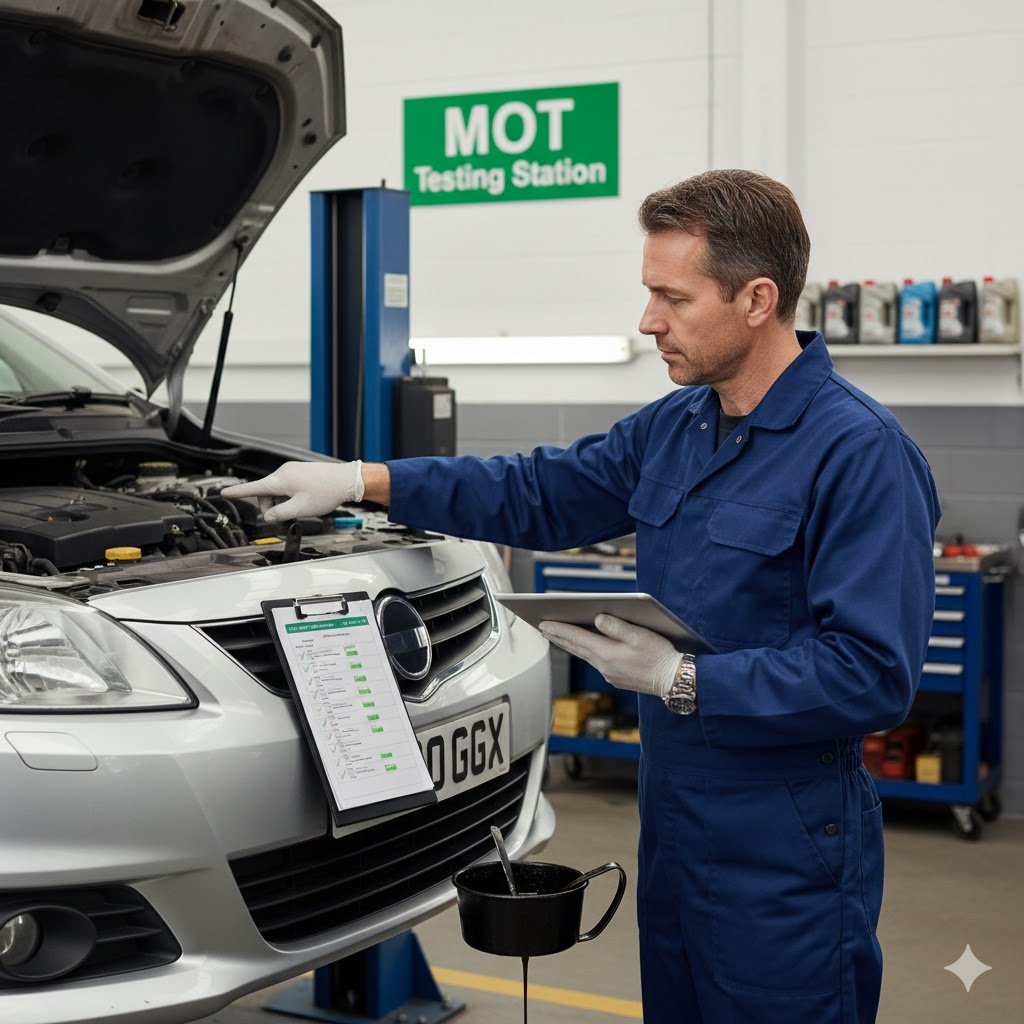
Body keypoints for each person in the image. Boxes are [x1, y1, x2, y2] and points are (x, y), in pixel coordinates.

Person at [223, 169, 940, 1024]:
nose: (648, 321)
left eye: (673, 298)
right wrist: (361, 480)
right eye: (648, 293)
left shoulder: (861, 453)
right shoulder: (679, 425)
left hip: (786, 840)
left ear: (757, 299)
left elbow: (872, 675)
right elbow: (538, 491)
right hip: (674, 822)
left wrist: (683, 680)